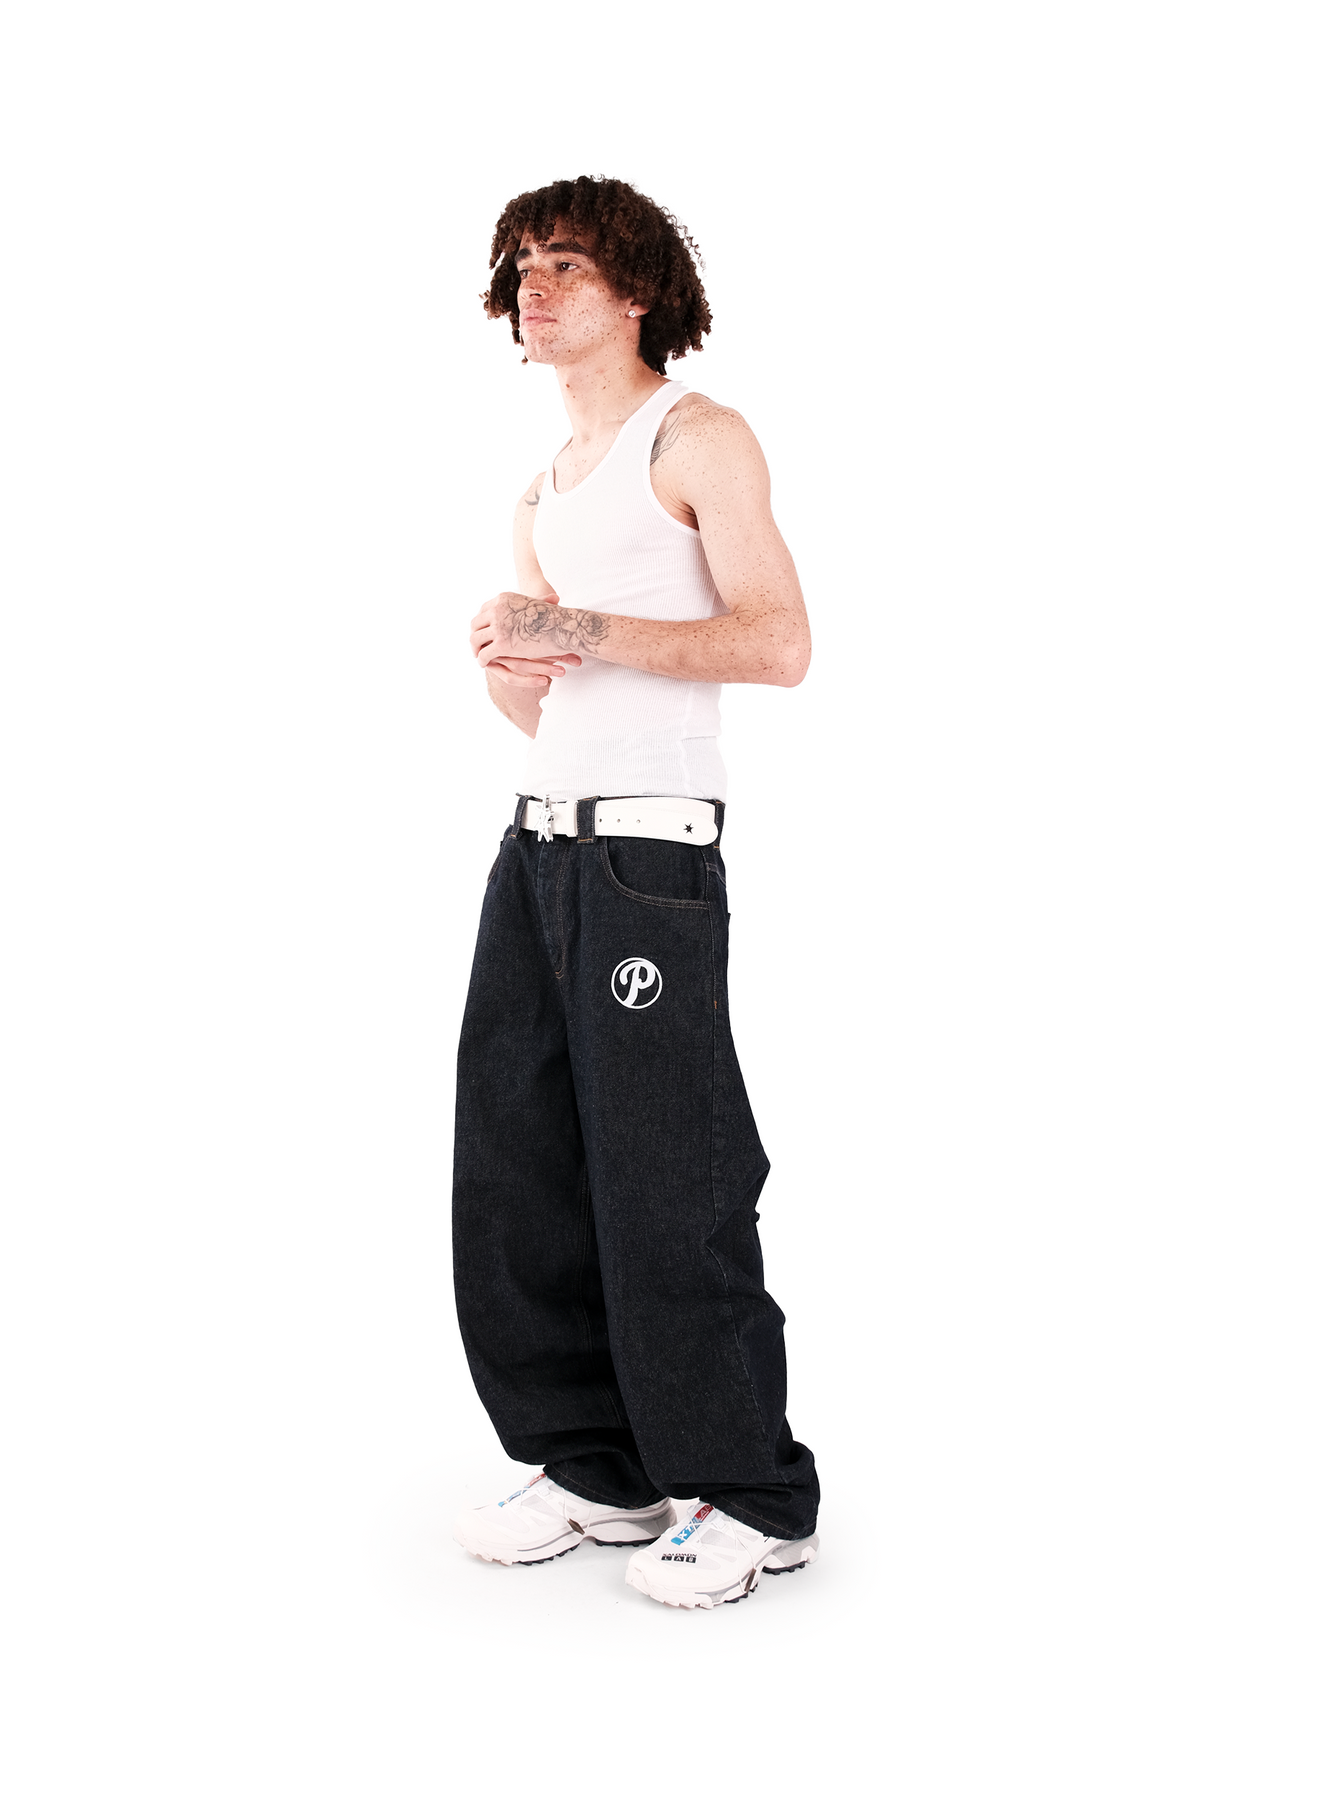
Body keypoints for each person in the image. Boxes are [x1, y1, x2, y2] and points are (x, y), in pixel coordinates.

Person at [452, 176, 819, 1610]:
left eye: (564, 265)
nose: (532, 290)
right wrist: (508, 660)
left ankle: (749, 1492)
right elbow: (550, 705)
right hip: (539, 844)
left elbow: (779, 645)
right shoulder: (543, 487)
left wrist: (578, 622)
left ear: (640, 290)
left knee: (668, 1170)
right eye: (519, 268)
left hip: (648, 857)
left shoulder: (697, 438)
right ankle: (598, 1464)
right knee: (519, 1169)